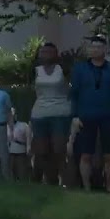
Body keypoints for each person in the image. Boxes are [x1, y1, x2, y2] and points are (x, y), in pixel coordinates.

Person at [70, 35, 110, 192]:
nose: (94, 50)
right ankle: (87, 189)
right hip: (85, 116)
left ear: (104, 49)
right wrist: (75, 116)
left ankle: (109, 189)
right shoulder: (80, 69)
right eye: (92, 47)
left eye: (98, 47)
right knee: (85, 154)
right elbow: (74, 93)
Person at [30, 42, 71, 186]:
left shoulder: (63, 69)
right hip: (40, 113)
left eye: (49, 52)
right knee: (42, 151)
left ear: (55, 54)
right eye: (43, 52)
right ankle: (50, 181)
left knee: (59, 149)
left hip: (60, 112)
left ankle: (65, 181)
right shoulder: (35, 70)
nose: (45, 54)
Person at [9, 114, 33, 181]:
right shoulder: (4, 127)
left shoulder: (23, 125)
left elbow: (29, 139)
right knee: (11, 174)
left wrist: (28, 150)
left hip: (21, 152)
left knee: (22, 174)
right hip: (9, 153)